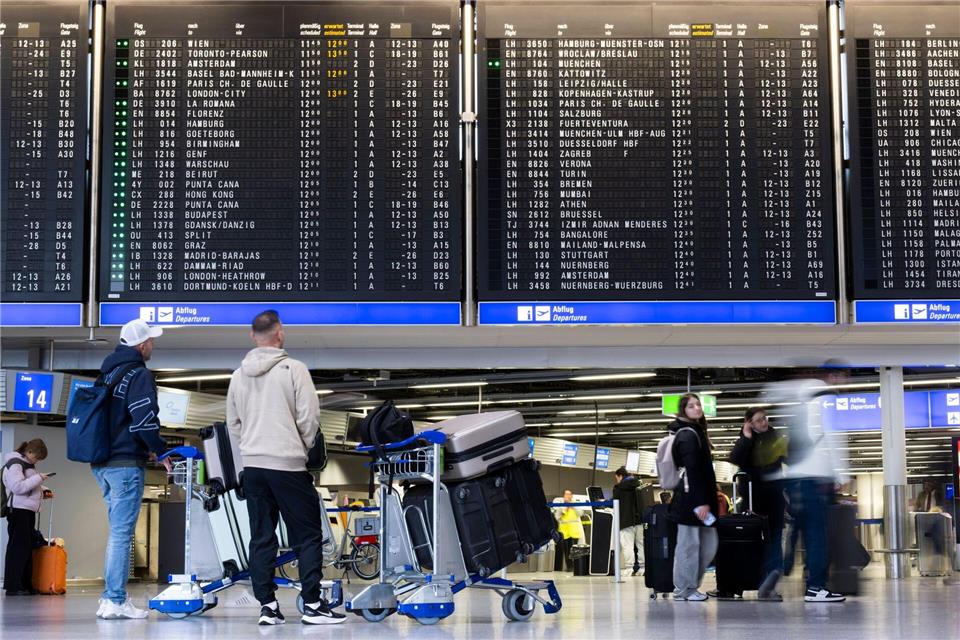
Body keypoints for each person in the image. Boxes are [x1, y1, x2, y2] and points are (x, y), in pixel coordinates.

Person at [226, 310, 344, 625]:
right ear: (280, 333)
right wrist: (300, 449)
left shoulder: (238, 375)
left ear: (253, 336)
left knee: (261, 536)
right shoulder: (294, 369)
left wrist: (249, 449)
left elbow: (233, 423)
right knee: (306, 535)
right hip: (288, 464)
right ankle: (314, 604)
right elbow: (309, 417)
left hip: (253, 467)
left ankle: (268, 606)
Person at [93, 318, 170, 619]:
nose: (153, 345)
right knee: (122, 533)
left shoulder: (108, 373)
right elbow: (143, 420)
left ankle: (108, 598)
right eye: (151, 340)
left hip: (102, 463)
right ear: (141, 345)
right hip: (124, 463)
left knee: (117, 531)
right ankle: (114, 599)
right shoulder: (137, 374)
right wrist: (161, 450)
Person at [764, 364, 849, 603]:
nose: (843, 382)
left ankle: (774, 569)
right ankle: (815, 587)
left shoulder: (796, 395)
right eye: (843, 377)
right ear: (834, 375)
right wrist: (839, 473)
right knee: (817, 534)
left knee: (797, 531)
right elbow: (827, 435)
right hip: (814, 476)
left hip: (795, 477)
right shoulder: (822, 395)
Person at [727, 407, 789, 601]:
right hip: (753, 500)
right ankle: (756, 579)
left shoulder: (776, 437)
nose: (764, 422)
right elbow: (735, 458)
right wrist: (746, 437)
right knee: (754, 541)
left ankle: (770, 582)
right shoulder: (746, 442)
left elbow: (790, 458)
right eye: (759, 420)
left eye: (765, 418)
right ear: (750, 423)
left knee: (775, 537)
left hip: (774, 497)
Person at [667, 393, 718, 601]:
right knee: (688, 545)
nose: (697, 408)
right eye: (691, 406)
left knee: (709, 542)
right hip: (691, 502)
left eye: (698, 404)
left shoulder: (696, 431)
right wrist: (701, 503)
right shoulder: (687, 434)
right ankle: (683, 589)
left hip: (699, 500)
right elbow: (692, 471)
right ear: (683, 410)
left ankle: (691, 586)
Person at [3, 439, 51, 596]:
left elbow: (26, 485)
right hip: (18, 511)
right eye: (37, 457)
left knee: (25, 548)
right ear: (29, 452)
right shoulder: (15, 463)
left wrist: (43, 490)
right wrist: (39, 478)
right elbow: (17, 487)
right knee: (18, 549)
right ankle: (13, 586)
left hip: (26, 511)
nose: (37, 461)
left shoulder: (27, 464)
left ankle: (24, 584)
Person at [613, 467, 644, 576]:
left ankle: (629, 568)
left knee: (628, 546)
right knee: (641, 545)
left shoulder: (619, 488)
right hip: (639, 520)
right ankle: (642, 568)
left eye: (617, 477)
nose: (617, 480)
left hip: (625, 521)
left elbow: (614, 502)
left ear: (620, 476)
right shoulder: (639, 485)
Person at [553, 489, 581, 571]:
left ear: (571, 496)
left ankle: (576, 566)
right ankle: (569, 567)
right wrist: (564, 509)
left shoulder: (575, 505)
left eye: (569, 494)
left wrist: (573, 507)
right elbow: (557, 517)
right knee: (567, 550)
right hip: (564, 532)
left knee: (575, 550)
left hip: (574, 532)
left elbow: (580, 513)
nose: (567, 496)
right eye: (566, 494)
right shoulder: (561, 506)